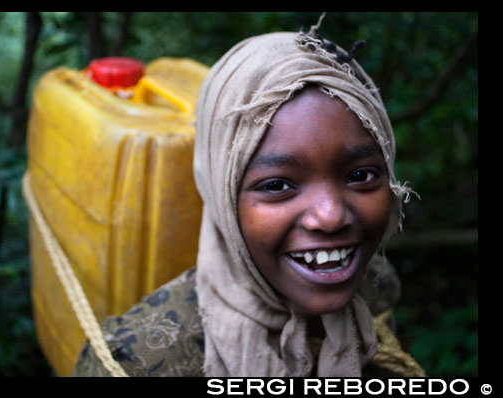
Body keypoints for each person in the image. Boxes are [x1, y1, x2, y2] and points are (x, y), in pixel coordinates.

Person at [72, 17, 423, 377]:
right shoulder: (133, 364)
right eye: (276, 185)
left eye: (361, 176)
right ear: (221, 192)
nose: (331, 216)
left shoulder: (375, 283)